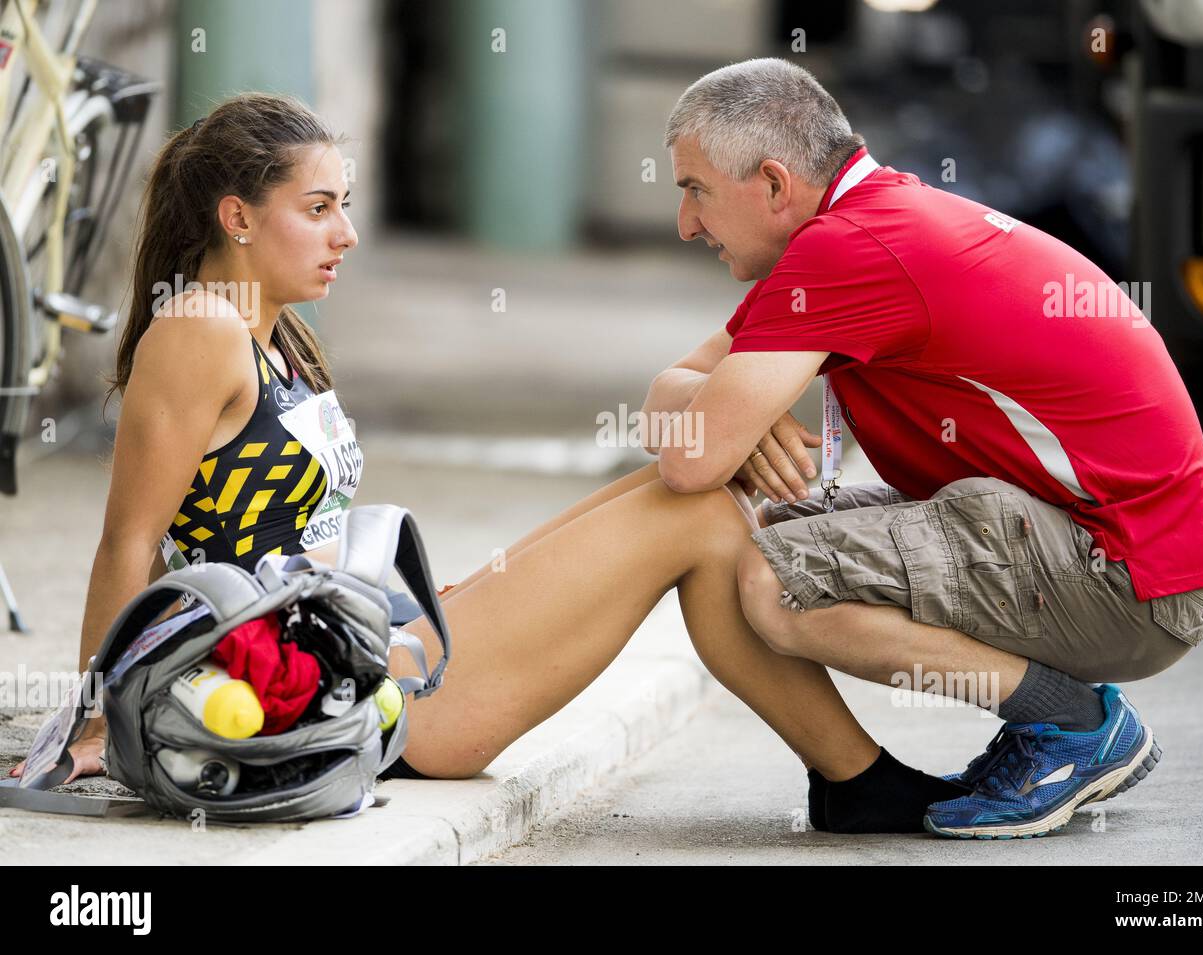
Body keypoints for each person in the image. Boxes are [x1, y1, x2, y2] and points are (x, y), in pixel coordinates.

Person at [10, 92, 965, 834]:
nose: (345, 233)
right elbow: (127, 542)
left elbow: (300, 528)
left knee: (690, 493)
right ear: (239, 217)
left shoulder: (276, 334)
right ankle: (860, 780)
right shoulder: (199, 329)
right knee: (699, 507)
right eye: (317, 209)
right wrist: (99, 724)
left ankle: (854, 781)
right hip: (294, 690)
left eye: (345, 205)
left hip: (353, 643)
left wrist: (447, 595)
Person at [647, 58, 1203, 837]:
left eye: (695, 190)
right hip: (1092, 542)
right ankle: (1016, 734)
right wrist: (724, 424)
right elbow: (674, 393)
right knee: (747, 542)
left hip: (1128, 576)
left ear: (775, 184)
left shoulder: (850, 249)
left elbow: (688, 457)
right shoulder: (865, 224)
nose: (687, 224)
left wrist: (724, 430)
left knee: (776, 580)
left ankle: (1076, 726)